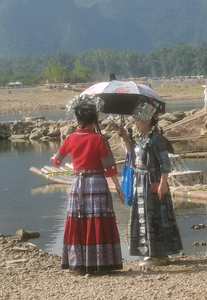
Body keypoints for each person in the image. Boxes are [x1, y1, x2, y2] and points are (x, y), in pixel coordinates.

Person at [50, 102, 124, 275]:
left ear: (78, 119)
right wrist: (119, 187)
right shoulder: (99, 139)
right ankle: (102, 262)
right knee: (98, 220)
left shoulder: (70, 138)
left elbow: (57, 160)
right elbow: (110, 167)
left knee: (78, 220)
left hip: (78, 185)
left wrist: (54, 158)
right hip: (97, 183)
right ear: (94, 119)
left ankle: (78, 263)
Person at [118, 102, 183, 267]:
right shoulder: (141, 139)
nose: (136, 124)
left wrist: (163, 183)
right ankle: (154, 253)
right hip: (140, 182)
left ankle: (155, 254)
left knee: (153, 217)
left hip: (152, 183)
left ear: (147, 121)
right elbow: (133, 154)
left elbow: (165, 163)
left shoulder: (157, 139)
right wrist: (125, 137)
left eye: (138, 121)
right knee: (144, 217)